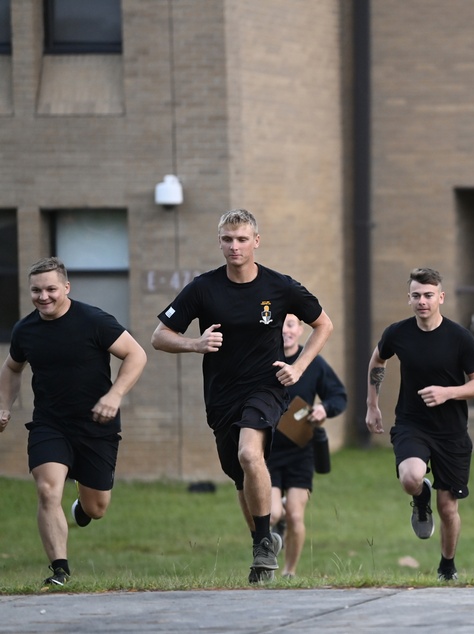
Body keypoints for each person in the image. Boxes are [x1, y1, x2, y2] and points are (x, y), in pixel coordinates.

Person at [151, 209, 333, 584]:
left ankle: (264, 541)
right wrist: (195, 344)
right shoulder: (203, 288)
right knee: (240, 478)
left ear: (256, 241)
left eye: (242, 239)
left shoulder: (279, 287)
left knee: (250, 453)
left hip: (266, 389)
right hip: (220, 397)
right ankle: (261, 544)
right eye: (228, 240)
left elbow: (323, 324)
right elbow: (159, 336)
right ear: (219, 242)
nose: (235, 247)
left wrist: (297, 369)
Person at [0, 257, 147, 586]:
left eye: (51, 289)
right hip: (50, 424)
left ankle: (83, 505)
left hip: (97, 424)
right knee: (47, 490)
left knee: (97, 508)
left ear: (66, 287)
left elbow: (137, 354)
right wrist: (4, 406)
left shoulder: (94, 321)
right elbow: (12, 367)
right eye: (36, 290)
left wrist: (114, 395)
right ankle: (60, 571)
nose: (44, 296)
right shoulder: (26, 330)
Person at [365, 268, 474, 582]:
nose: (422, 301)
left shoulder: (459, 337)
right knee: (410, 478)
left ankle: (447, 566)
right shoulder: (398, 333)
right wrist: (372, 405)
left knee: (448, 508)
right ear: (409, 299)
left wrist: (449, 392)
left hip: (451, 432)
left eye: (429, 295)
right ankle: (420, 497)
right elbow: (378, 360)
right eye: (417, 295)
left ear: (440, 298)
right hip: (412, 423)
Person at [267, 313, 347, 578]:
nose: (285, 331)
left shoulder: (312, 362)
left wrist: (324, 409)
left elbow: (339, 396)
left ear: (300, 329)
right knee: (272, 513)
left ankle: (289, 572)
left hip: (301, 450)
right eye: (281, 326)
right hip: (267, 451)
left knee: (295, 516)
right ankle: (273, 540)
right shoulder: (263, 361)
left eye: (291, 325)